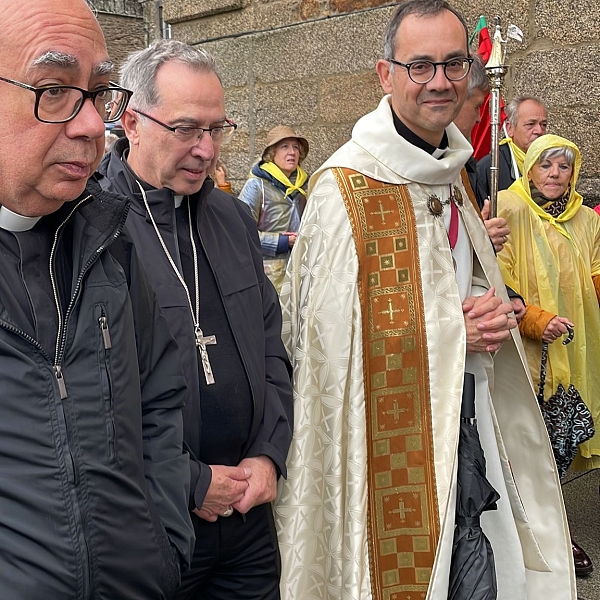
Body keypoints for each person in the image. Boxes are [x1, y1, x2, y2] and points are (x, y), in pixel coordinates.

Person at [275, 1, 575, 599]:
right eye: (419, 66)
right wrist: (450, 330)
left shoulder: (453, 169)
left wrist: (494, 305)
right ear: (385, 74)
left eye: (452, 63)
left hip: (466, 411)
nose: (439, 81)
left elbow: (451, 277)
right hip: (393, 442)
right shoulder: (347, 187)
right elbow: (327, 342)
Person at [0, 0, 195, 597]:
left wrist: (162, 546)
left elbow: (160, 402)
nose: (91, 125)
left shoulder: (107, 241)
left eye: (99, 92)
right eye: (54, 89)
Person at [98, 39, 293, 600]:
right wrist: (188, 481)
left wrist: (268, 454)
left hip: (248, 514)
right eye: (186, 129)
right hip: (153, 519)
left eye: (217, 128)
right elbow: (95, 395)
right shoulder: (92, 228)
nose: (206, 150)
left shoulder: (232, 218)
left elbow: (270, 349)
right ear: (132, 121)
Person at [497, 133, 600, 578]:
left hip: (577, 347)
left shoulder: (585, 219)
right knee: (529, 443)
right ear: (530, 167)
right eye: (546, 166)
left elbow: (594, 274)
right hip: (530, 348)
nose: (555, 175)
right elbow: (502, 280)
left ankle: (553, 529)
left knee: (560, 441)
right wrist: (538, 320)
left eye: (564, 167)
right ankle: (539, 534)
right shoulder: (510, 208)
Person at [238, 126, 309, 292]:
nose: (292, 152)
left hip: (298, 274)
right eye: (285, 146)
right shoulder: (256, 186)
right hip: (268, 278)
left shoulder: (303, 187)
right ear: (272, 153)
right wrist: (282, 242)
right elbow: (241, 234)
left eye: (296, 147)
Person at [476, 95, 548, 205]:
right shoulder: (489, 167)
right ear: (510, 129)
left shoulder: (554, 163)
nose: (539, 130)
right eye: (530, 124)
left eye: (543, 125)